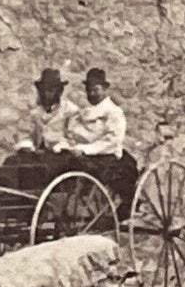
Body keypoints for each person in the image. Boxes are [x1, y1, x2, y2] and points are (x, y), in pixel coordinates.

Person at [63, 67, 138, 216]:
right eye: (89, 90)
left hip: (106, 157)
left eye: (95, 90)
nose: (91, 94)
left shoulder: (114, 112)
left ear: (105, 88)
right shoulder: (85, 112)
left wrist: (85, 149)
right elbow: (75, 133)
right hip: (86, 154)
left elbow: (112, 141)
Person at [17, 67, 77, 156]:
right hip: (38, 156)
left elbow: (73, 139)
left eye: (50, 90)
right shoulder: (34, 113)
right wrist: (28, 146)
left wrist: (57, 148)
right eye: (42, 90)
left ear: (59, 91)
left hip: (61, 156)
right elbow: (25, 135)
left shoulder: (70, 110)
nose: (45, 94)